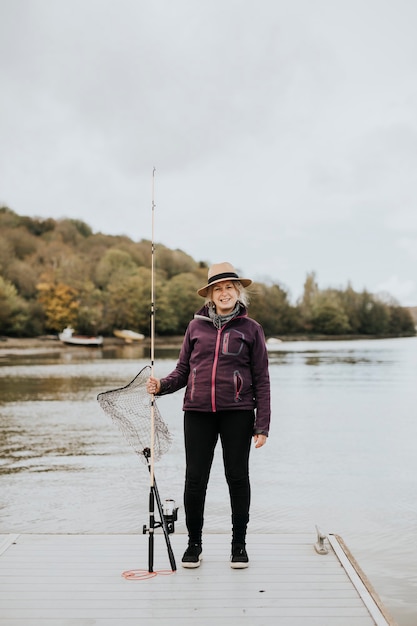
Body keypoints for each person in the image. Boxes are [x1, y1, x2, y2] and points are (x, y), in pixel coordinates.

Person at [146, 261, 270, 569]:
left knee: (237, 478)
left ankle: (238, 545)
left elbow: (262, 379)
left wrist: (262, 425)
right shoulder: (195, 327)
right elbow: (183, 371)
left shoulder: (251, 329)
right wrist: (161, 385)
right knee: (195, 479)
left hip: (238, 413)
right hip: (198, 412)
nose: (224, 293)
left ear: (238, 292)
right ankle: (194, 544)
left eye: (230, 287)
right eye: (219, 288)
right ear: (211, 294)